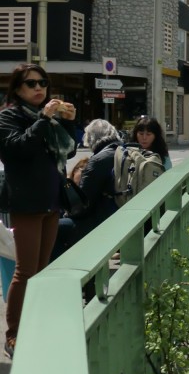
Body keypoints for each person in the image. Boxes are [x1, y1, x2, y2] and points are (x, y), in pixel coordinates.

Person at [0, 63, 78, 358]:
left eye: (42, 83)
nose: (38, 88)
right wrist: (45, 118)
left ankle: (37, 324)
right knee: (25, 270)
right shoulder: (10, 116)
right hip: (27, 202)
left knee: (43, 270)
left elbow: (68, 151)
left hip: (51, 200)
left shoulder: (48, 119)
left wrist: (68, 121)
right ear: (18, 88)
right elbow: (17, 149)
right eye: (31, 83)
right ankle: (14, 334)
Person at [52, 119, 122, 262]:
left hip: (105, 224)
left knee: (54, 229)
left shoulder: (98, 160)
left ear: (90, 139)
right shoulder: (123, 151)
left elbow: (83, 205)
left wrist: (65, 214)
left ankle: (61, 273)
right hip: (124, 219)